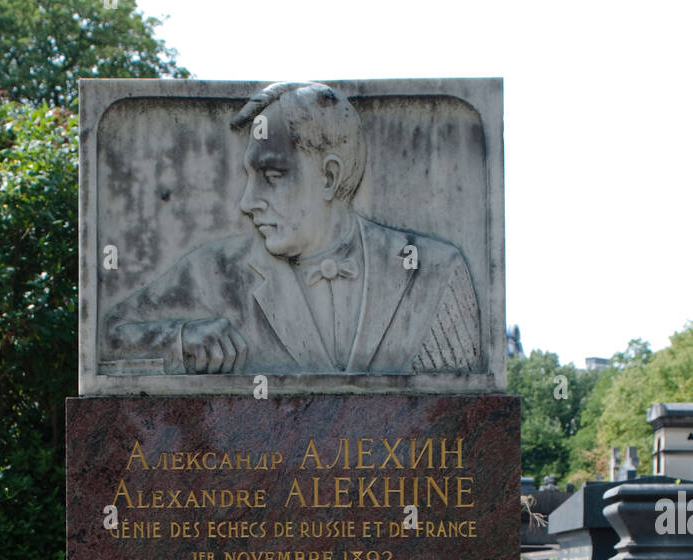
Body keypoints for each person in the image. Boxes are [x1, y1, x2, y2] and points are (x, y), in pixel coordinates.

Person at [104, 81, 482, 377]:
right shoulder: (213, 271)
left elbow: (463, 413)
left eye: (272, 175)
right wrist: (182, 340)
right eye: (250, 176)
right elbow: (105, 338)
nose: (247, 202)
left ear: (329, 177)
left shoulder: (434, 272)